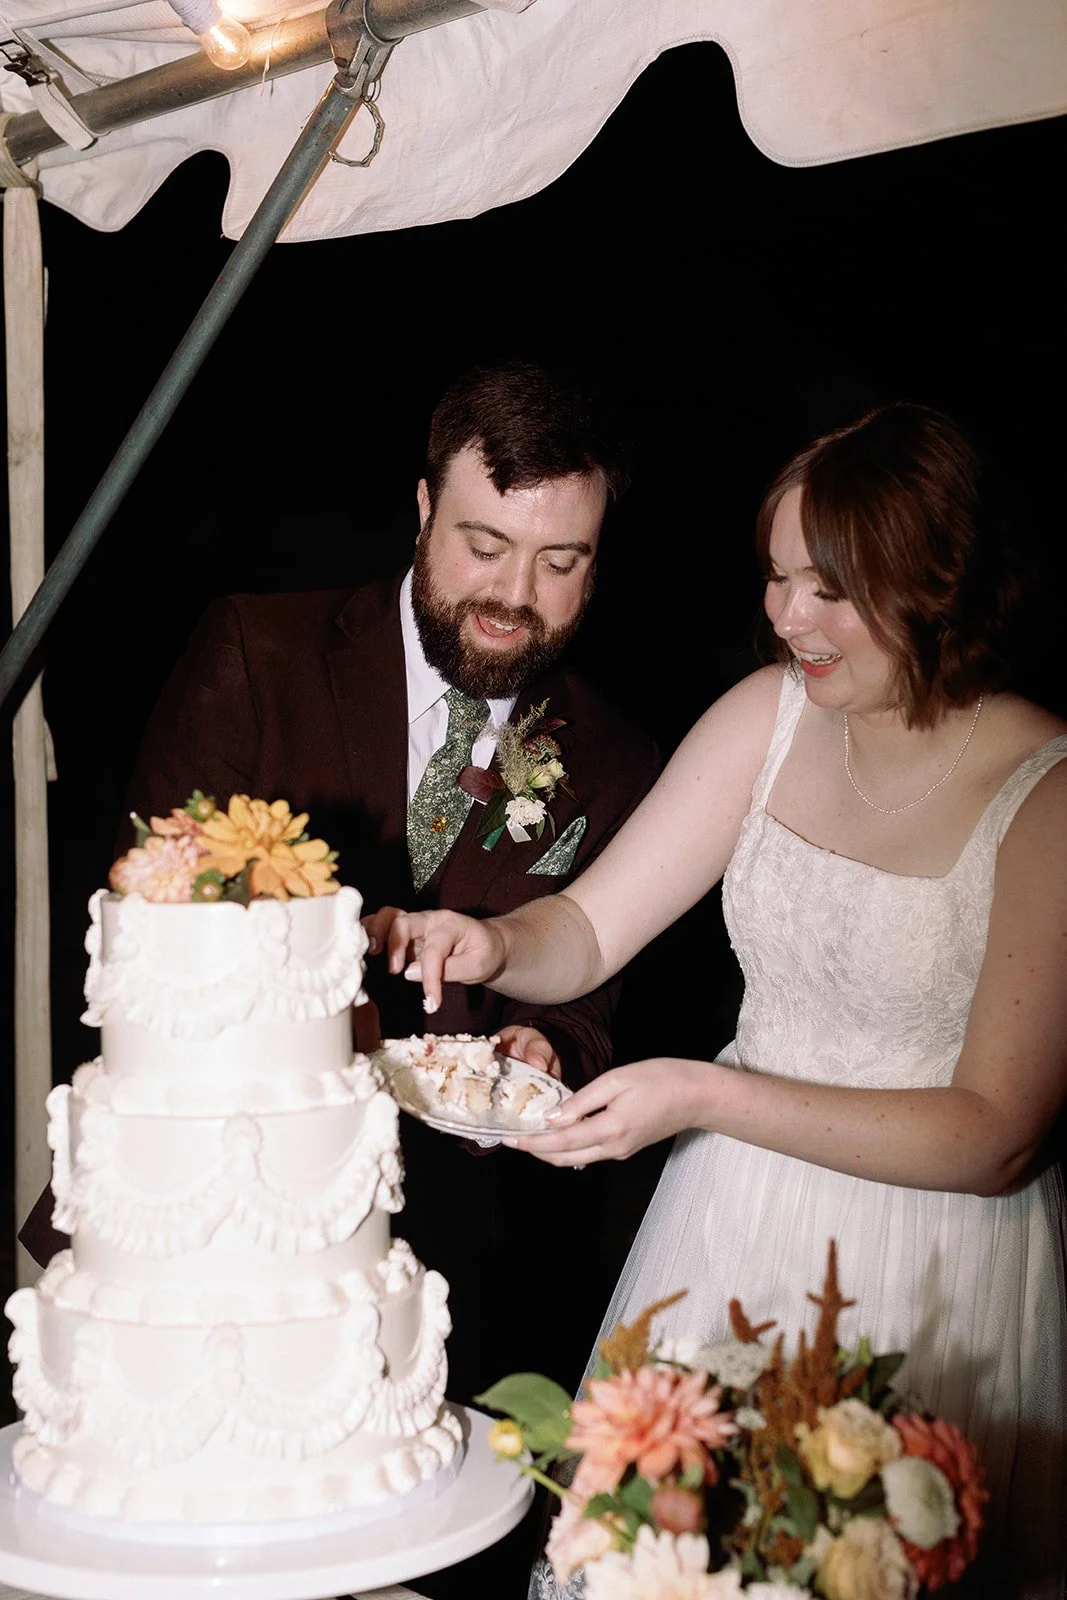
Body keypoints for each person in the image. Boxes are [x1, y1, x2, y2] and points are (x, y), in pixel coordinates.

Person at [369, 401, 1067, 1598]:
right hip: (730, 1225)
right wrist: (486, 941)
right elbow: (586, 927)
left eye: (827, 591)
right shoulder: (765, 715)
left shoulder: (1043, 789)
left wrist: (704, 1091)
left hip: (939, 1265)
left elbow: (994, 1134)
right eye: (777, 577)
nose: (784, 616)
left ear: (935, 584)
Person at [18, 358, 660, 1416]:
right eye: (483, 545)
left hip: (443, 1271)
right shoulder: (255, 651)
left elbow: (587, 994)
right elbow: (148, 918)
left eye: (560, 561)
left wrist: (549, 1046)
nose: (513, 595)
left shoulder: (622, 757)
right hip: (195, 1229)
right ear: (419, 510)